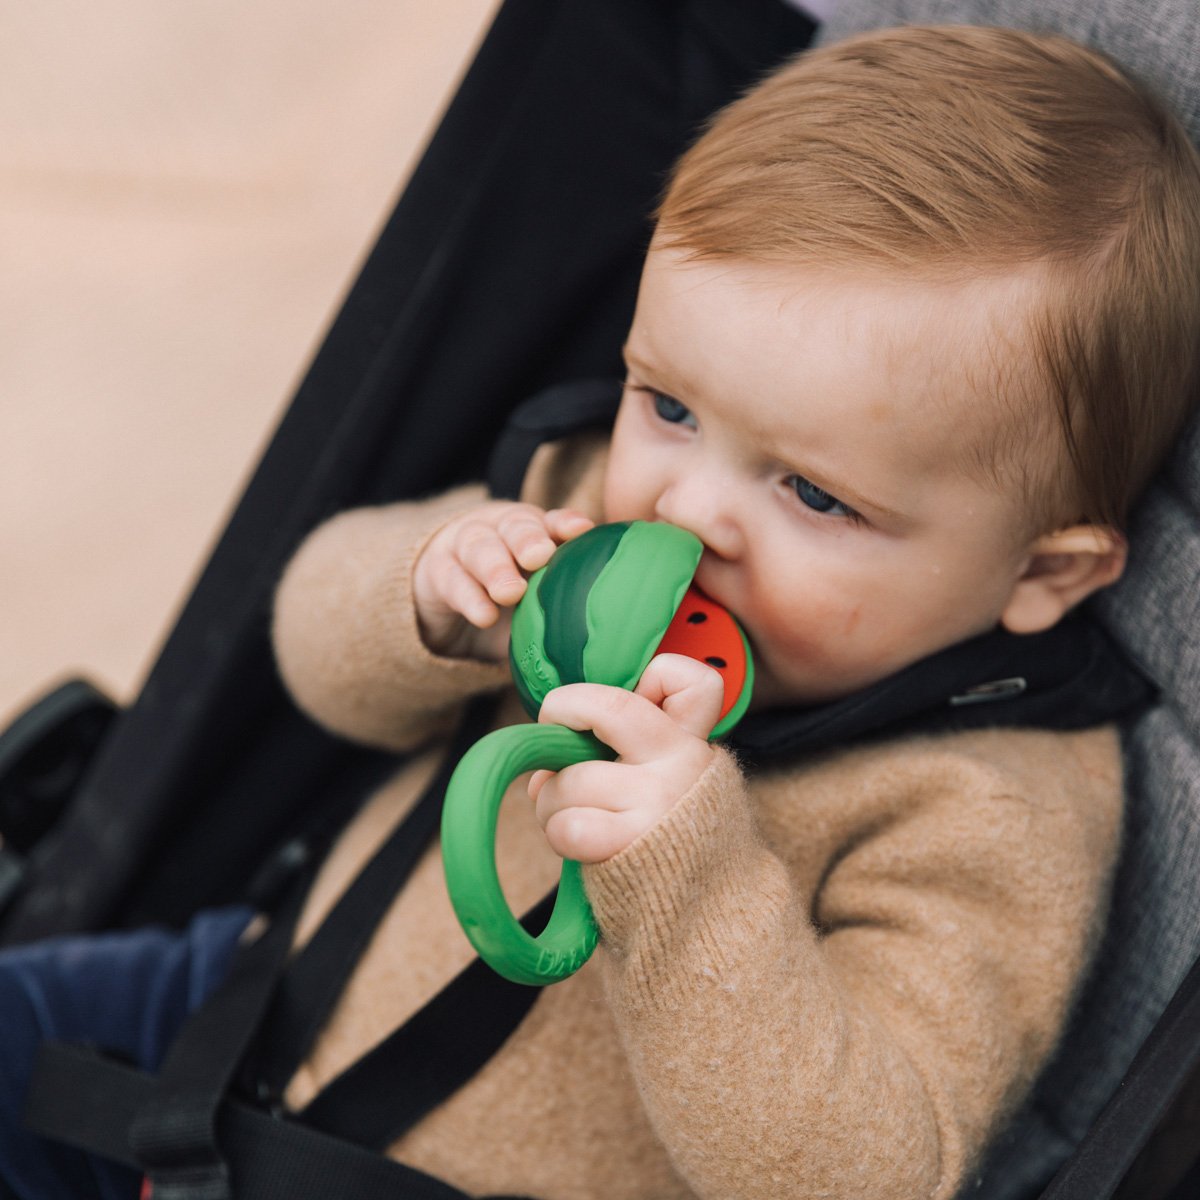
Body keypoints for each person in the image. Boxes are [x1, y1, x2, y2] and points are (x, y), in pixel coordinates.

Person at [3, 23, 1200, 1200]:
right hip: (228, 1017)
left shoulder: (983, 810)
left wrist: (687, 881)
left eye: (817, 494)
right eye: (670, 407)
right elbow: (312, 661)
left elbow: (862, 1171)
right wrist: (430, 599)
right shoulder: (578, 513)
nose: (686, 511)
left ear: (1042, 575)